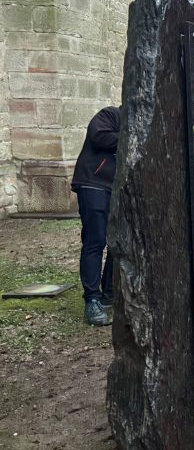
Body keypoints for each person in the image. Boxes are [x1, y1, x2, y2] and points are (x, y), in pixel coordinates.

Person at [71, 105, 121, 326]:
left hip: (117, 190)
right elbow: (99, 137)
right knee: (95, 240)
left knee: (117, 241)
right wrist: (131, 134)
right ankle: (92, 299)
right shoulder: (110, 115)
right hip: (93, 183)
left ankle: (109, 292)